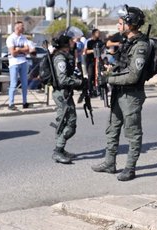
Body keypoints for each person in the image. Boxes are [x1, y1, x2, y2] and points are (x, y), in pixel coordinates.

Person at [91, 6, 150, 181]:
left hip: (131, 95)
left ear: (130, 24)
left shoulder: (141, 46)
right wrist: (110, 71)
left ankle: (130, 168)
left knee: (132, 133)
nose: (118, 26)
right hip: (119, 92)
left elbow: (133, 76)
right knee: (112, 129)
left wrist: (109, 80)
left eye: (120, 22)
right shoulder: (127, 42)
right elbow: (123, 67)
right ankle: (110, 163)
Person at [50, 35, 83, 164]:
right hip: (61, 94)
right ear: (65, 44)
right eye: (70, 42)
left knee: (63, 122)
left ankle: (61, 149)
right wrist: (78, 82)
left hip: (64, 94)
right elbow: (62, 80)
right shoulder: (60, 59)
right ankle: (58, 151)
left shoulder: (64, 57)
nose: (72, 43)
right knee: (71, 124)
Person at [6, 21, 30, 110]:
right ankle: (11, 104)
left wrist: (18, 49)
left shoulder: (23, 37)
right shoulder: (10, 38)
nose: (23, 28)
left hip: (23, 62)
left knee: (24, 83)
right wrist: (22, 50)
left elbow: (28, 50)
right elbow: (13, 53)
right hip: (14, 63)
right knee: (14, 83)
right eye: (22, 27)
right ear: (17, 28)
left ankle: (25, 102)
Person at [83, 29, 104, 97]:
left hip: (98, 61)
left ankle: (99, 89)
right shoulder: (89, 42)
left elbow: (103, 50)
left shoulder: (100, 42)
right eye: (97, 33)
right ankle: (90, 90)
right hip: (90, 61)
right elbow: (86, 51)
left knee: (99, 75)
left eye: (99, 33)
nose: (99, 34)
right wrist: (93, 51)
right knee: (91, 75)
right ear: (93, 34)